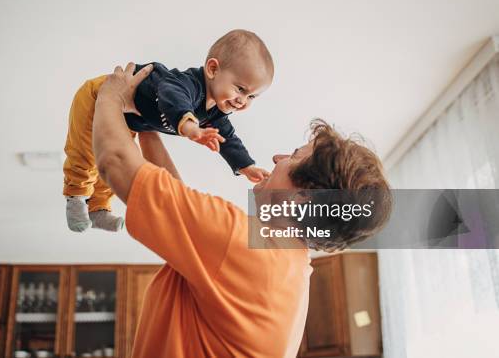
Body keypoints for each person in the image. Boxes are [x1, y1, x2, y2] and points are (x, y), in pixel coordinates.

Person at [92, 63, 392, 357]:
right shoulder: (286, 266)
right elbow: (175, 201)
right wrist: (148, 125)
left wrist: (110, 96)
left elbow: (115, 162)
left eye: (294, 156)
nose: (277, 158)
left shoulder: (243, 248)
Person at [63, 29, 274, 232]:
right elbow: (171, 96)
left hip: (127, 117)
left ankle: (98, 208)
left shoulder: (216, 113)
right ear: (212, 69)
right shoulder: (188, 84)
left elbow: (228, 139)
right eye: (240, 89)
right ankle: (76, 196)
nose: (242, 101)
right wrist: (189, 126)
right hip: (99, 96)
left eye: (252, 97)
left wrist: (246, 166)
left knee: (107, 157)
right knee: (85, 154)